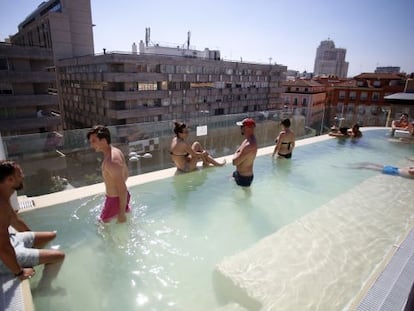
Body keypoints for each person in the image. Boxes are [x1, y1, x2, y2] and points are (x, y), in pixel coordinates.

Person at [0, 160, 65, 289]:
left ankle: (37, 260)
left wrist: (32, 241)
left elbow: (16, 221)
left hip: (12, 240)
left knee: (50, 235)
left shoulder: (4, 196)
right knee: (59, 256)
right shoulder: (0, 206)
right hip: (4, 256)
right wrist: (20, 272)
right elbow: (3, 248)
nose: (23, 176)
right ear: (10, 180)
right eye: (19, 175)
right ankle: (44, 288)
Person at [87, 125, 130, 223]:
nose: (91, 145)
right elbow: (126, 174)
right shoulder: (116, 151)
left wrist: (121, 214)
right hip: (118, 198)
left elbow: (122, 189)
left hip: (115, 200)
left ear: (104, 140)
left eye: (94, 141)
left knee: (102, 226)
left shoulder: (112, 161)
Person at [232, 118, 258, 187]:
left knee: (243, 197)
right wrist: (237, 153)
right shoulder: (247, 140)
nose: (240, 128)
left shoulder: (249, 145)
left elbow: (234, 162)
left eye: (242, 127)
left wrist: (236, 153)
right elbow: (238, 152)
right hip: (239, 173)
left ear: (247, 128)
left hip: (244, 178)